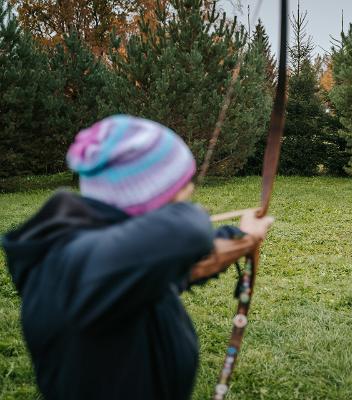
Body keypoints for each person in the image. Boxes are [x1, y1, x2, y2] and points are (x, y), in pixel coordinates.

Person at [2, 115, 273, 400]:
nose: (187, 199)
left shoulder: (110, 256)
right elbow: (187, 232)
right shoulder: (69, 265)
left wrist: (242, 237)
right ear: (145, 201)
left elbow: (176, 268)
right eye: (180, 194)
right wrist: (187, 214)